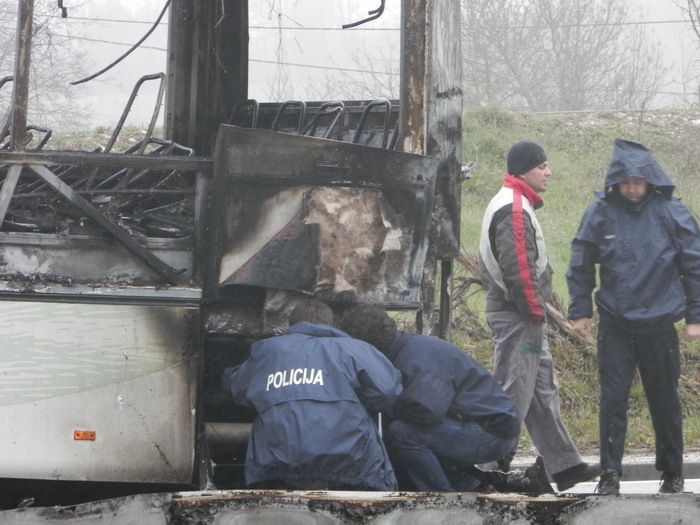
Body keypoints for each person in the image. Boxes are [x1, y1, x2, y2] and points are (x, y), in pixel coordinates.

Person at [567, 138, 700, 495]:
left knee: (665, 400)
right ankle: (610, 473)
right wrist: (580, 311)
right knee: (612, 402)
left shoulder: (673, 213)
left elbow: (694, 265)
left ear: (650, 180)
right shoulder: (600, 212)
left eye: (637, 181)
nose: (631, 188)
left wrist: (694, 316)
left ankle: (672, 473)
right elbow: (580, 262)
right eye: (625, 182)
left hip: (660, 326)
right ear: (615, 181)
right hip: (615, 324)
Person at [478, 140, 599, 492]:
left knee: (542, 390)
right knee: (514, 391)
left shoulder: (513, 202)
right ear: (524, 170)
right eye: (542, 165)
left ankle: (565, 466)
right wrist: (535, 312)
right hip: (519, 317)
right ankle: (488, 468)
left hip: (523, 316)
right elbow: (519, 270)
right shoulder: (514, 209)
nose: (549, 172)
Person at [339, 303, 552, 494]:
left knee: (402, 433)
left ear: (366, 346)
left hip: (491, 434)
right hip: (476, 424)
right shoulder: (407, 348)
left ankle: (443, 499)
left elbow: (428, 411)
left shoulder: (416, 359)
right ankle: (477, 487)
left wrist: (384, 406)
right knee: (400, 436)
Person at [221, 299, 402, 491]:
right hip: (351, 463)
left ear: (292, 324)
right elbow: (388, 390)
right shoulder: (356, 349)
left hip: (278, 463)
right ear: (332, 324)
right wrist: (359, 400)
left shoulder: (267, 351)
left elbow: (237, 387)